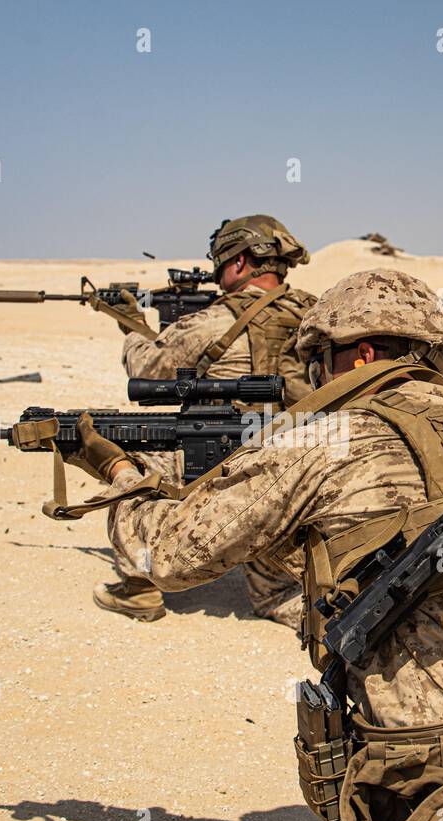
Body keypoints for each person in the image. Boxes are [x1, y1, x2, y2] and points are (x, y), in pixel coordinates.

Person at [63, 269, 443, 821]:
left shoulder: (326, 440)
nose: (312, 378)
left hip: (438, 774)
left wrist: (116, 473)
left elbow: (164, 553)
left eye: (318, 362)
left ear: (360, 354)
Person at [101, 214, 317, 624]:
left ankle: (139, 586)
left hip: (236, 482)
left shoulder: (216, 319)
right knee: (287, 596)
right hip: (310, 480)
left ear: (237, 263)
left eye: (220, 263)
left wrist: (132, 326)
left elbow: (147, 369)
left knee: (129, 449)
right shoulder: (318, 314)